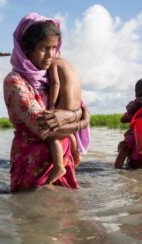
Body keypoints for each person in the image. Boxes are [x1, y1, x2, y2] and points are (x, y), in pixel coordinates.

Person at [4, 12, 90, 192]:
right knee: (33, 212)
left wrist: (74, 115)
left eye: (53, 48)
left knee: (66, 214)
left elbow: (75, 107)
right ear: (26, 48)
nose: (50, 55)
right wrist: (82, 120)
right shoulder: (15, 81)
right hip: (32, 163)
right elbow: (44, 129)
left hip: (63, 162)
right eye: (44, 48)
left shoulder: (50, 77)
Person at [47, 56, 84, 184]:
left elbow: (55, 83)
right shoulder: (70, 65)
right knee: (68, 132)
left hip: (65, 107)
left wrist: (51, 104)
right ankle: (75, 152)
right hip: (76, 108)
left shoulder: (54, 63)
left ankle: (58, 167)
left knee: (53, 135)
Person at [113, 79, 142, 168]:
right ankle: (117, 168)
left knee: (125, 147)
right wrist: (133, 107)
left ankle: (117, 168)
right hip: (140, 135)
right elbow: (123, 119)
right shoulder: (136, 104)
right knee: (125, 146)